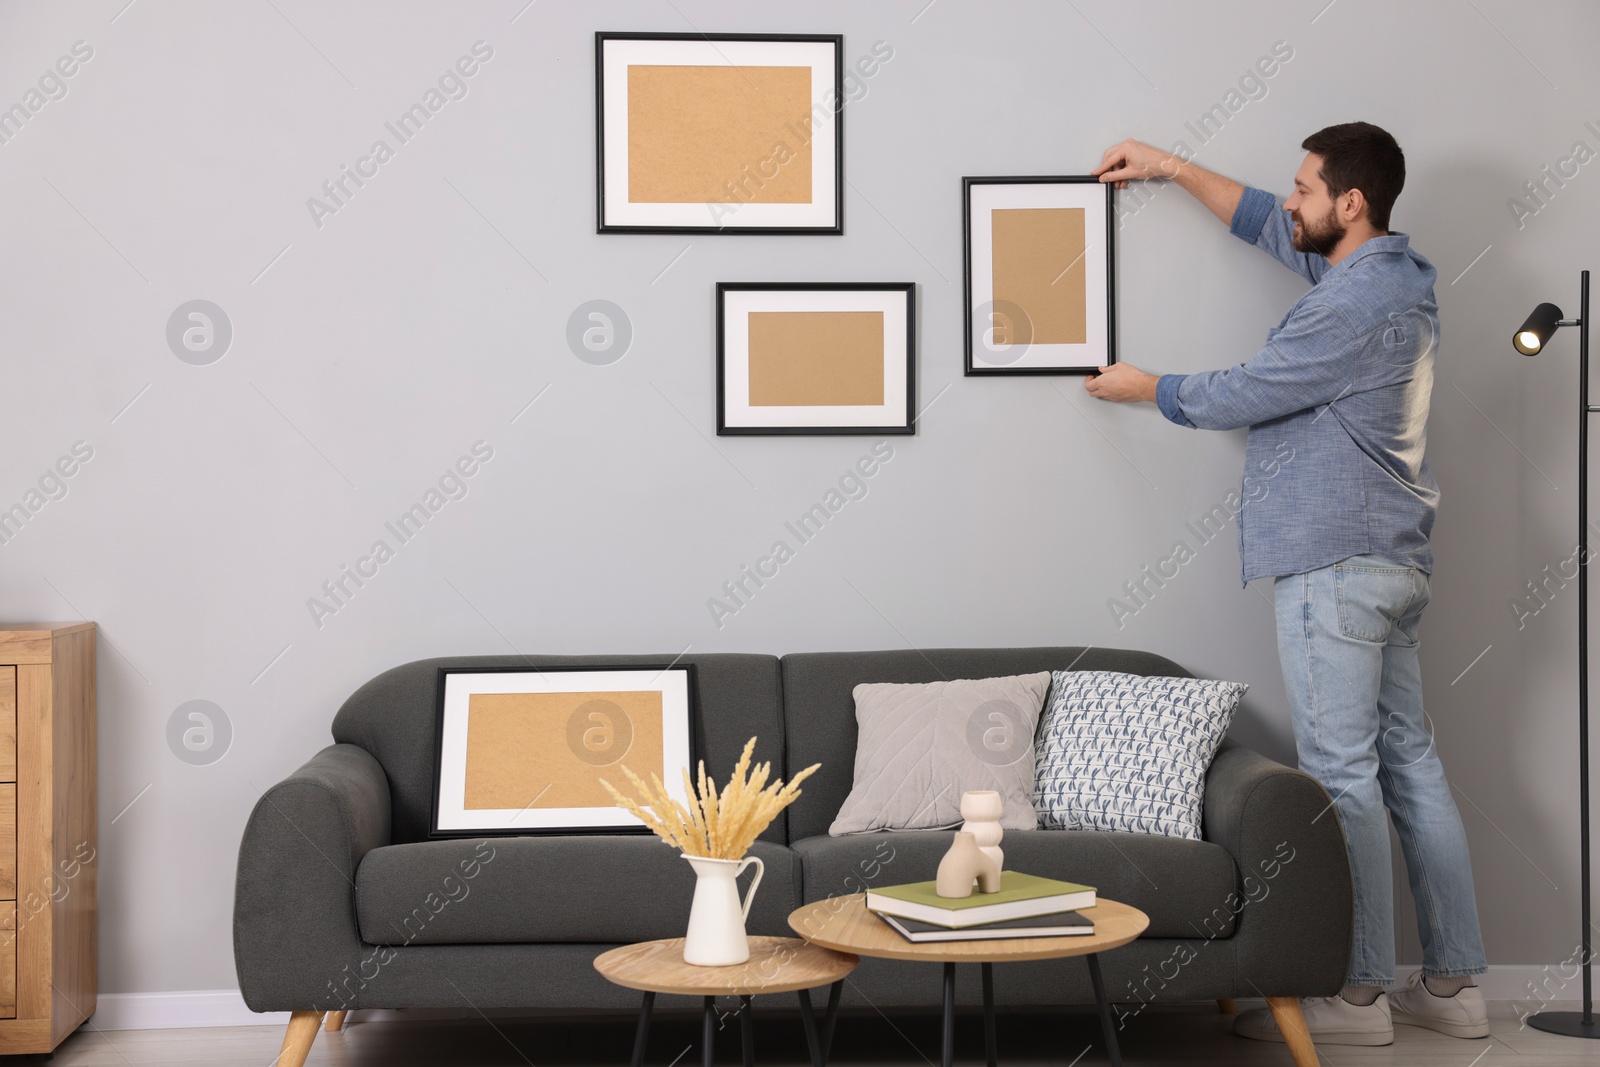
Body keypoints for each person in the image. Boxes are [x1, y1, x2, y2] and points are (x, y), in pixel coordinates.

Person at [1085, 123, 1489, 1046]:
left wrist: (1149, 386)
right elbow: (1272, 225)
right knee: (1409, 766)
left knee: (1343, 775)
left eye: (1308, 187)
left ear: (1352, 203)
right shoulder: (1390, 278)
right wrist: (1172, 167)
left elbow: (1249, 388)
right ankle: (1459, 985)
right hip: (1390, 560)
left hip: (1335, 564)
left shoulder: (1352, 306)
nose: (1292, 198)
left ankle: (1356, 998)